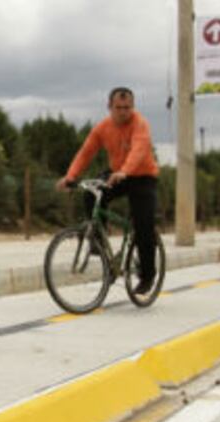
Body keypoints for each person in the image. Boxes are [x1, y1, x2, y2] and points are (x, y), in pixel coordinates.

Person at [55, 87, 161, 294]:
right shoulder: (103, 128)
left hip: (143, 177)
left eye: (127, 107)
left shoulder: (140, 124)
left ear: (133, 107)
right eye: (118, 107)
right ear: (109, 107)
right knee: (91, 193)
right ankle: (98, 242)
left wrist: (125, 171)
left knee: (143, 228)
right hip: (117, 174)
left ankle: (147, 276)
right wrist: (70, 177)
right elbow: (85, 153)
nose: (123, 112)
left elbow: (139, 149)